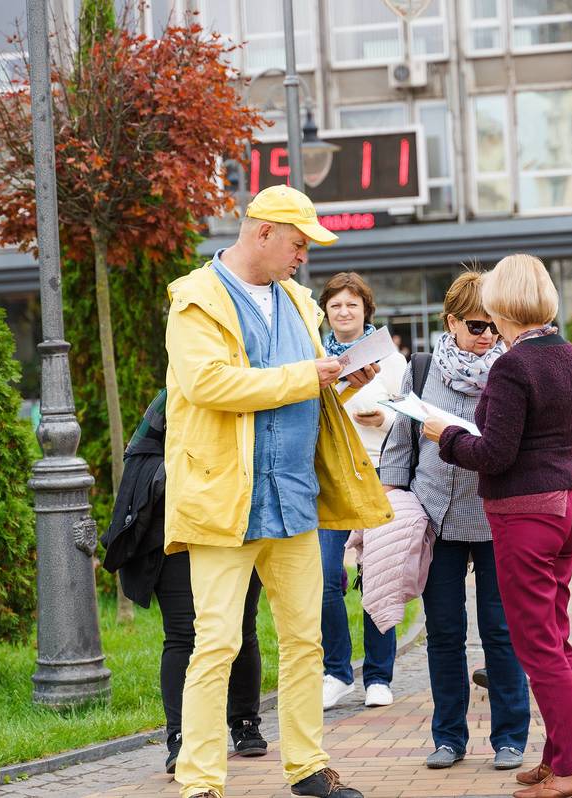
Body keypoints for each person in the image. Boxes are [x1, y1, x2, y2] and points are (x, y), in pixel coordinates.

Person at [164, 185, 392, 798]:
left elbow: (306, 393)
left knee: (306, 641)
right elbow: (207, 383)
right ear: (262, 232)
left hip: (294, 497)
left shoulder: (297, 301)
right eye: (298, 243)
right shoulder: (195, 299)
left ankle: (308, 766)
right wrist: (304, 376)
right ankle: (201, 781)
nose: (303, 258)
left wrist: (344, 382)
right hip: (225, 502)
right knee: (215, 643)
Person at [424, 255, 572, 798]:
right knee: (557, 640)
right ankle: (559, 756)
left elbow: (495, 454)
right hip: (567, 505)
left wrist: (443, 437)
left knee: (536, 646)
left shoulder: (512, 367)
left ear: (501, 306)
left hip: (525, 513)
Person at [380, 271, 532, 773]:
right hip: (435, 516)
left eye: (493, 325)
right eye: (475, 325)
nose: (487, 335)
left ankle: (510, 737)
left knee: (501, 629)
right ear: (451, 322)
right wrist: (393, 503)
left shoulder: (514, 369)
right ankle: (449, 737)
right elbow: (401, 441)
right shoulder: (421, 368)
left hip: (495, 516)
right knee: (443, 631)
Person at [106, 391, 269, 774]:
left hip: (239, 521)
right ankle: (180, 736)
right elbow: (141, 456)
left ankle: (245, 723)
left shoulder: (258, 382)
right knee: (182, 633)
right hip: (178, 522)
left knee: (241, 628)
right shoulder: (177, 392)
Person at [317, 272, 408, 710]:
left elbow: (409, 415)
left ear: (365, 309)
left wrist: (384, 420)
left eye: (352, 304)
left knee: (378, 574)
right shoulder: (314, 357)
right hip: (331, 476)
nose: (344, 312)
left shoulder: (390, 359)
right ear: (326, 312)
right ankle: (336, 671)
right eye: (336, 305)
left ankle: (378, 675)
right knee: (323, 577)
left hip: (379, 472)